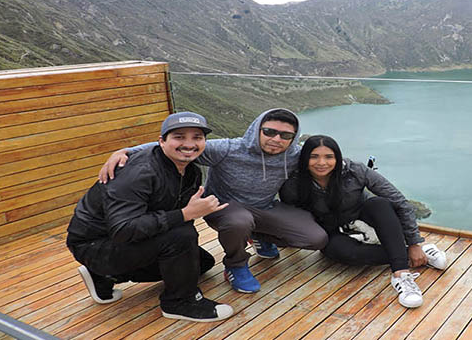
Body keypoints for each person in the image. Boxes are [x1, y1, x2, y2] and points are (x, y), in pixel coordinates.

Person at [98, 108, 328, 293]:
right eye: (269, 132)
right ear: (257, 129)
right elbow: (176, 147)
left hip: (265, 206)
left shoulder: (295, 155)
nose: (276, 139)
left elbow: (329, 158)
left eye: (285, 135)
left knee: (315, 238)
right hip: (223, 207)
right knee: (239, 222)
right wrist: (126, 151)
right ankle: (236, 265)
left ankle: (257, 235)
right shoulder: (228, 149)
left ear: (293, 138)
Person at [67, 112, 234, 322]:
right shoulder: (138, 172)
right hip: (95, 244)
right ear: (161, 141)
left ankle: (106, 276)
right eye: (179, 137)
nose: (189, 144)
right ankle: (179, 302)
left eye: (197, 137)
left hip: (128, 240)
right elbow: (123, 229)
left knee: (202, 263)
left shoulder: (190, 172)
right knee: (182, 235)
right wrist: (185, 214)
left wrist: (184, 215)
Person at [279, 135, 447, 308]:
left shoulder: (355, 171)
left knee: (379, 204)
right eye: (314, 156)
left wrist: (414, 243)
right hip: (331, 230)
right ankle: (421, 255)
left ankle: (401, 275)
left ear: (337, 157)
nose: (322, 162)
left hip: (364, 216)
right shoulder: (294, 184)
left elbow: (400, 202)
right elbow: (292, 217)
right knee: (341, 252)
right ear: (304, 157)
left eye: (329, 157)